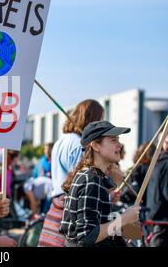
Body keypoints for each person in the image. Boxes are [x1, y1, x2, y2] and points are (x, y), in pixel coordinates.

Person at [60, 121, 140, 247]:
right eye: (113, 140)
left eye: (118, 140)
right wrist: (123, 219)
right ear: (96, 146)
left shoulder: (93, 176)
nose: (119, 145)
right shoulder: (91, 180)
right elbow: (87, 236)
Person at [38, 99, 104, 247]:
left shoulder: (61, 141)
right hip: (68, 207)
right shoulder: (78, 144)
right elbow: (81, 182)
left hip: (56, 203)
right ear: (91, 119)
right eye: (99, 120)